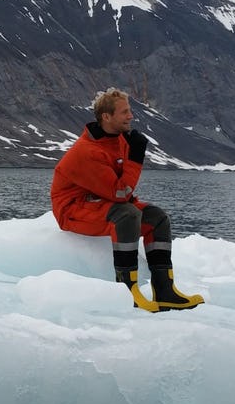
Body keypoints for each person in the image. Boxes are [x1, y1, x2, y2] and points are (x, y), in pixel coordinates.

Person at [50, 88, 204, 312]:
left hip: (101, 201)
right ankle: (127, 292)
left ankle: (165, 291)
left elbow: (120, 192)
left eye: (129, 110)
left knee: (158, 218)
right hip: (73, 209)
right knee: (127, 215)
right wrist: (136, 157)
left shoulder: (119, 138)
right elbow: (120, 194)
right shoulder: (87, 151)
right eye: (124, 112)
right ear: (106, 117)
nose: (131, 116)